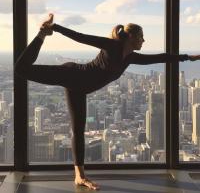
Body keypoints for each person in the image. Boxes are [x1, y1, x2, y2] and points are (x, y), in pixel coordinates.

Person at [15, 13, 200, 190]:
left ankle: (79, 175)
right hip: (71, 75)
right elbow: (81, 37)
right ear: (131, 37)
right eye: (141, 37)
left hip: (79, 89)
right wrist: (54, 28)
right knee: (22, 69)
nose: (144, 41)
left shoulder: (131, 57)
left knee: (78, 130)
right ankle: (41, 35)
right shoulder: (112, 46)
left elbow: (160, 57)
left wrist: (188, 58)